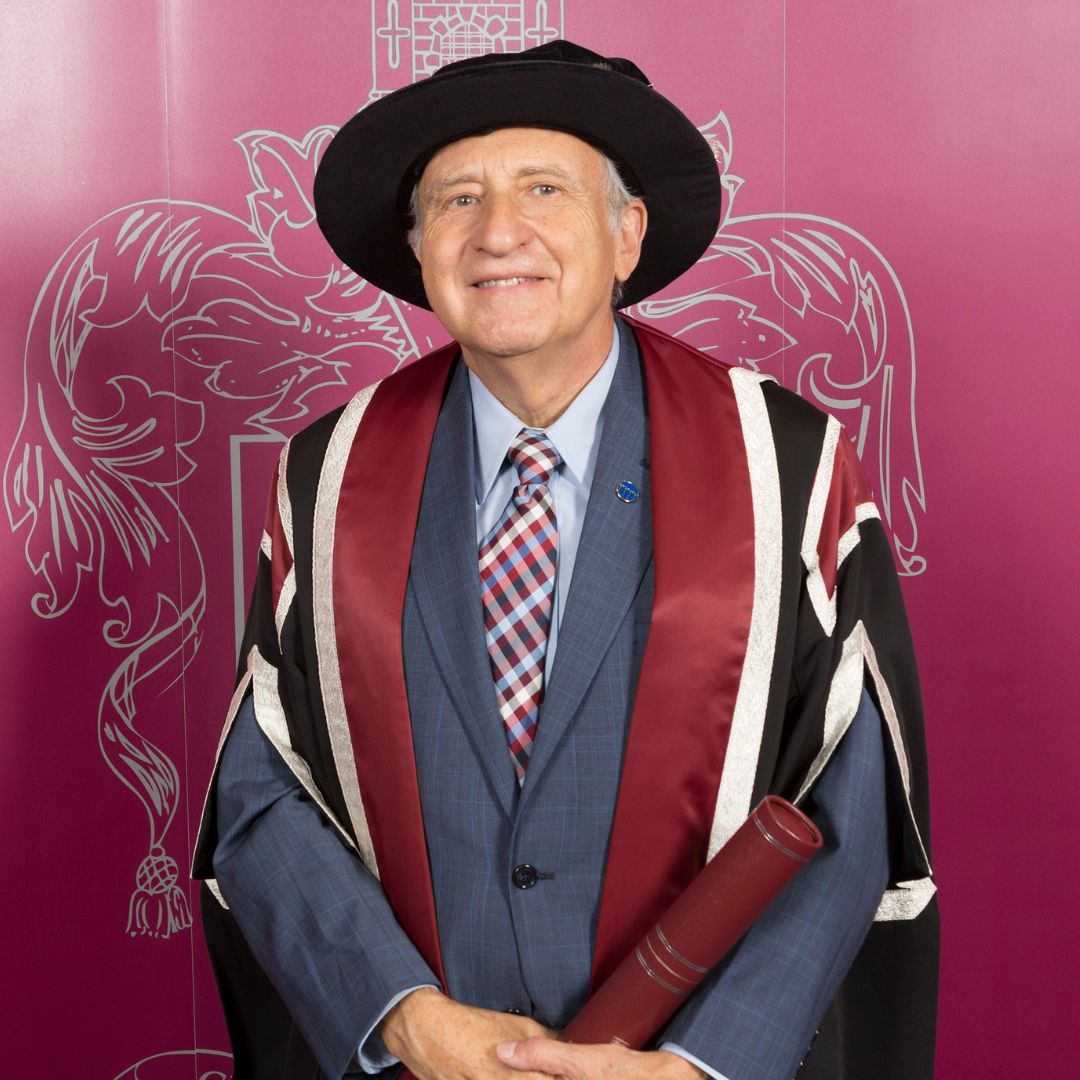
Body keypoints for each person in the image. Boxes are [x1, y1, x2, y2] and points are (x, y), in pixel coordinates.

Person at [193, 40, 938, 1080]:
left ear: (626, 234)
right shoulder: (328, 474)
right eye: (457, 199)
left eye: (544, 188)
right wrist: (402, 1016)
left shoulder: (785, 464)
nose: (499, 232)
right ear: (419, 248)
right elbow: (263, 787)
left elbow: (850, 796)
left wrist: (706, 1061)